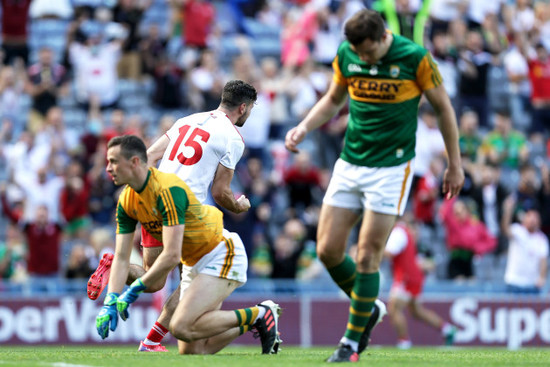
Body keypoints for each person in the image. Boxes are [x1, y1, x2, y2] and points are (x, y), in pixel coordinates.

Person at [284, 9, 464, 362]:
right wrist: (304, 126)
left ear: (384, 38)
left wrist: (454, 164)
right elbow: (335, 99)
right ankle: (369, 307)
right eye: (359, 54)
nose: (364, 60)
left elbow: (444, 109)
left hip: (392, 168)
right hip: (350, 162)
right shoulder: (347, 53)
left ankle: (350, 343)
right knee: (327, 251)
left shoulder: (415, 58)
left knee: (366, 254)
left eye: (369, 53)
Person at [89, 80, 261, 352]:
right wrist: (239, 206)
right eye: (251, 109)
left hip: (152, 199)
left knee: (153, 279)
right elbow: (220, 192)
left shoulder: (187, 120)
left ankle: (148, 334)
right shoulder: (232, 137)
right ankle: (153, 340)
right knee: (191, 280)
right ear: (243, 107)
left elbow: (149, 155)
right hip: (186, 211)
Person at [94, 135, 281, 355]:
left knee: (180, 326)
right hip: (194, 261)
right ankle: (255, 321)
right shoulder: (127, 201)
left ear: (135, 162)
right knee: (194, 349)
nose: (108, 168)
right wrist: (110, 300)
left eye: (114, 161)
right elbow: (122, 257)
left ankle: (261, 313)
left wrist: (135, 289)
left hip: (220, 252)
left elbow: (172, 256)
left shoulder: (167, 190)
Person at [384, 217, 456, 349]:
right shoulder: (404, 232)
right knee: (416, 311)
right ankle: (447, 329)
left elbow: (389, 253)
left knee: (394, 309)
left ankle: (404, 342)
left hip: (406, 277)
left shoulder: (399, 231)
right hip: (414, 276)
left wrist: (369, 250)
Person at [501, 196, 548, 294]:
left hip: (531, 284)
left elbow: (543, 260)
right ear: (524, 219)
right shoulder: (517, 230)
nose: (532, 220)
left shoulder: (542, 239)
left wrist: (542, 277)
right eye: (530, 216)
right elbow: (505, 229)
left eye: (535, 218)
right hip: (514, 281)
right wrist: (508, 211)